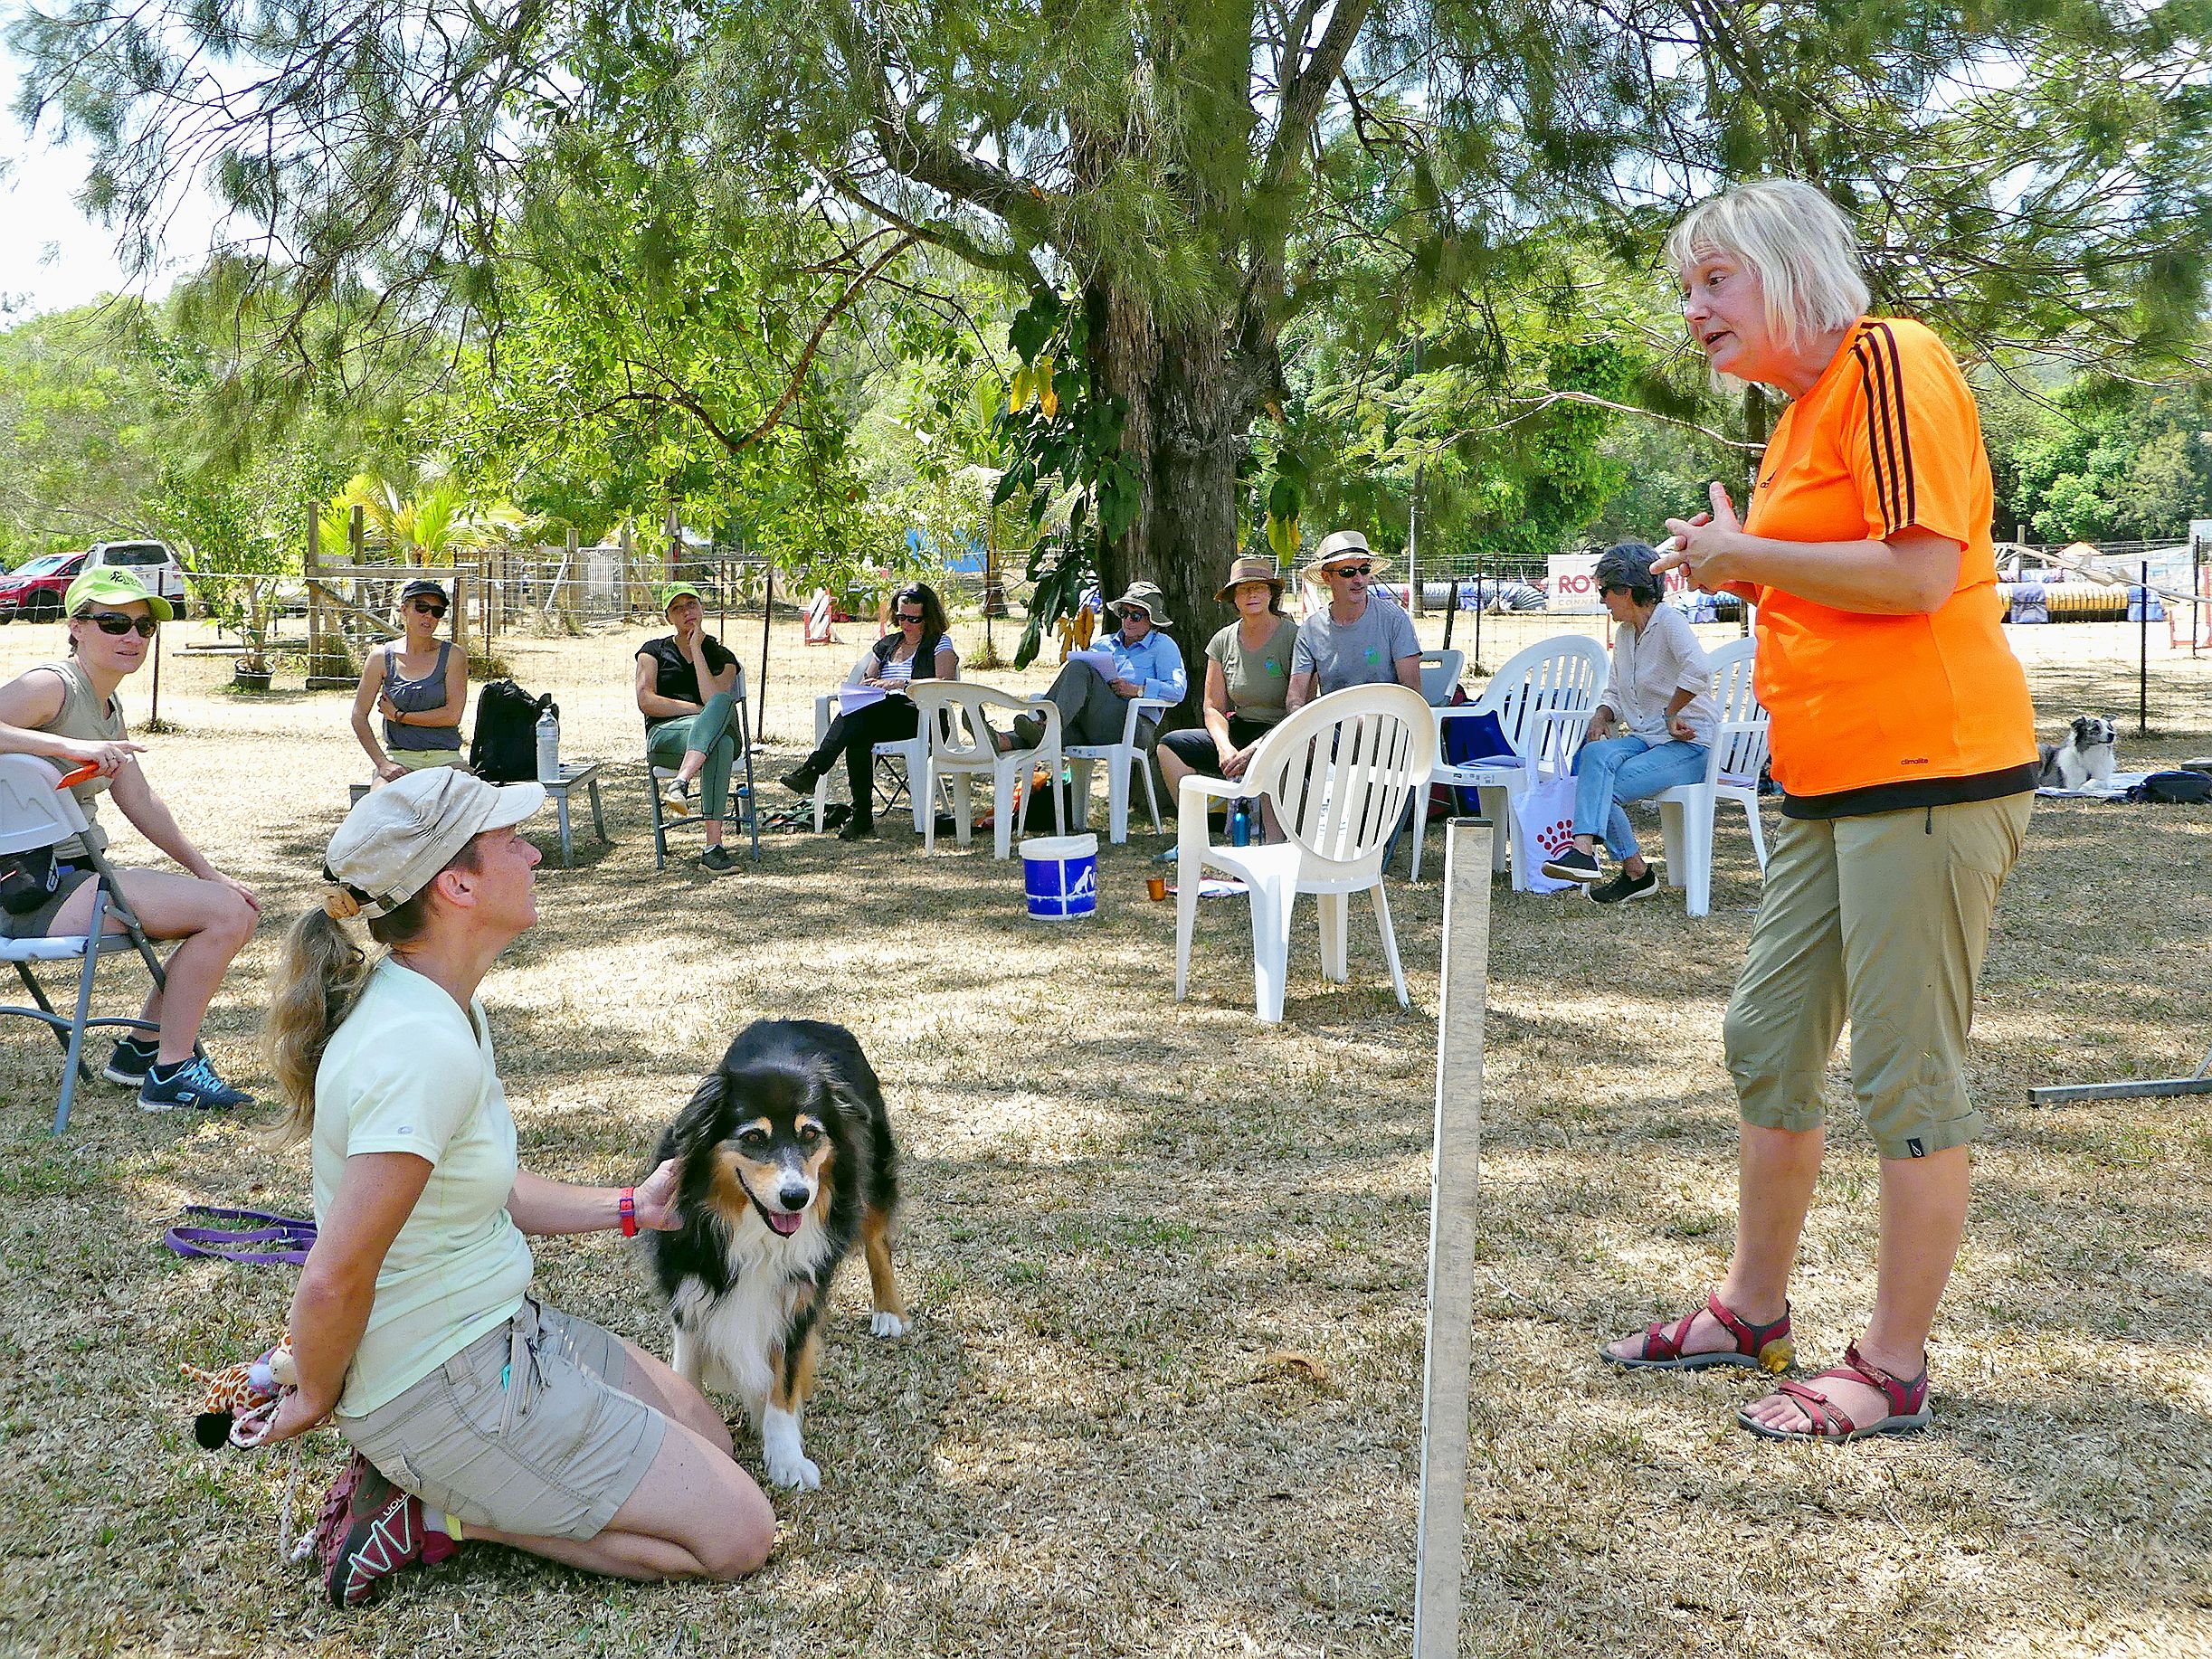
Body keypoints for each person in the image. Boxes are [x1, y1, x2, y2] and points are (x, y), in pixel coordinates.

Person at [1600, 179, 2039, 1445]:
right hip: (1827, 784)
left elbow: (1920, 573)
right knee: (1768, 1033)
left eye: (1714, 280)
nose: (1693, 309)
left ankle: (1891, 1368)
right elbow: (1823, 580)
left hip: (1929, 774)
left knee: (1904, 1073)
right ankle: (1752, 1309)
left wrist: (1748, 563)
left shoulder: (1889, 360)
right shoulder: (1796, 419)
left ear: (1791, 269)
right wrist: (1737, 558)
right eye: (1687, 288)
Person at [257, 769, 774, 1606]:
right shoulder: (420, 1047)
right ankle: (437, 1515)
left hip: (498, 1331)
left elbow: (487, 1187)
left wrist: (629, 1209)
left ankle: (459, 1481)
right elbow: (335, 1273)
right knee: (738, 1535)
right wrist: (313, 1389)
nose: (533, 851)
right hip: (440, 1379)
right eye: (510, 841)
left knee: (711, 1437)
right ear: (456, 884)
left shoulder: (443, 1004)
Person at [0, 567, 258, 1110]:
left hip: (71, 883)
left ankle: (142, 1050)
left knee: (227, 902)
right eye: (114, 622)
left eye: (144, 627)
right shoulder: (52, 687)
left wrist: (210, 874)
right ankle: (170, 1072)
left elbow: (138, 800)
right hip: (28, 891)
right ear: (77, 625)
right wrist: (67, 748)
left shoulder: (108, 708)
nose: (132, 637)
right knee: (228, 917)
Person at [1539, 543, 1716, 905]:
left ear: (1627, 590)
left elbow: (1698, 670)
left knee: (1605, 787)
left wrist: (1671, 713)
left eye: (1605, 591)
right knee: (1594, 756)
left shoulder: (1669, 622)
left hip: (1690, 744)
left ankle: (1632, 870)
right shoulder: (1624, 634)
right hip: (1647, 738)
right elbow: (1617, 692)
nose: (1602, 599)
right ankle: (1587, 852)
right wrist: (1602, 715)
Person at [779, 582, 959, 841]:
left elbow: (945, 682)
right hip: (879, 714)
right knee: (857, 729)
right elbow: (866, 680)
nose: (906, 623)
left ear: (928, 617)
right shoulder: (887, 645)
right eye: (900, 617)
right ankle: (860, 815)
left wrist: (900, 683)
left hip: (920, 715)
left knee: (856, 720)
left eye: (913, 619)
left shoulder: (939, 643)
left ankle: (815, 771)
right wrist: (869, 685)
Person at [1156, 555, 1297, 799]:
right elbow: (1212, 707)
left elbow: (1301, 707)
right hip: (1239, 730)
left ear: (1271, 594)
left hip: (1283, 735)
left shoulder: (1294, 637)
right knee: (1170, 746)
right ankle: (1203, 821)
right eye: (1243, 590)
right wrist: (1225, 748)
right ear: (1233, 598)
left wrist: (1257, 748)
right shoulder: (1222, 641)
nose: (1251, 594)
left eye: (1259, 587)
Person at [1006, 581, 1186, 754]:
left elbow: (1177, 690)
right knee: (1038, 738)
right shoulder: (1104, 643)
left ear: (1152, 620)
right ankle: (999, 739)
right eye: (1124, 613)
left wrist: (1137, 690)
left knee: (1078, 668)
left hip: (1132, 727)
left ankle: (1045, 726)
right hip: (1091, 725)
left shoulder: (1162, 646)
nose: (1128, 620)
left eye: (1136, 616)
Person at [634, 583, 742, 876]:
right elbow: (647, 700)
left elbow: (714, 699)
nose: (686, 612)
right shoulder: (652, 651)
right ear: (669, 617)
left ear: (702, 609)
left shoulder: (722, 655)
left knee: (720, 706)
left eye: (691, 605)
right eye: (677, 608)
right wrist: (696, 712)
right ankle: (713, 849)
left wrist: (697, 648)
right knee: (720, 745)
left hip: (718, 728)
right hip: (669, 733)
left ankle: (680, 782)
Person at [1284, 531, 1422, 709]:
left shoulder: (1394, 619)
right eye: (1347, 572)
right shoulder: (1310, 630)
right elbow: (1296, 697)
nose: (1358, 579)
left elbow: (1412, 692)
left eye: (1364, 570)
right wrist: (1301, 726)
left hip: (1387, 727)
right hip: (1333, 731)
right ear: (1327, 577)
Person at [350, 578, 468, 781]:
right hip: (400, 757)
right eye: (421, 608)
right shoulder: (380, 658)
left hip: (446, 757)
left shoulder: (453, 655)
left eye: (436, 612)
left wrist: (399, 716)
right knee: (378, 807)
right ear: (404, 610)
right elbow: (359, 715)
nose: (429, 616)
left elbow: (452, 716)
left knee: (469, 799)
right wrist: (384, 764)